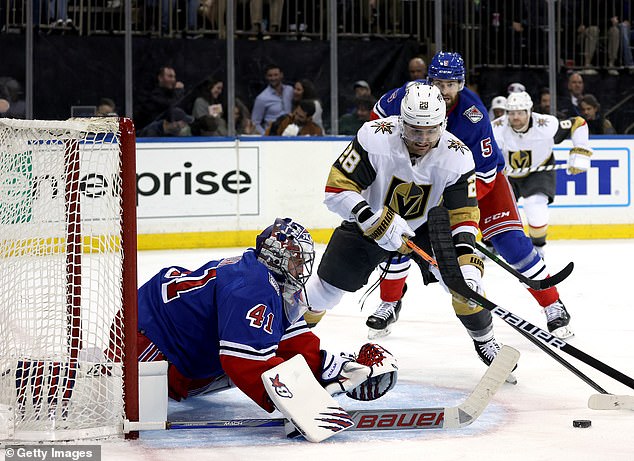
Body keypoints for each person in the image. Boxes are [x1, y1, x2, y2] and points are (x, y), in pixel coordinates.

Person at [108, 218, 397, 440]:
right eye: (297, 258)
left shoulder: (266, 279)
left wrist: (331, 367)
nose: (302, 267)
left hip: (166, 339)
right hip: (144, 342)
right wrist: (300, 403)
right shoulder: (252, 288)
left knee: (258, 352)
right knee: (245, 360)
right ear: (277, 255)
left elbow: (287, 336)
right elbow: (242, 362)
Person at [303, 82, 512, 373]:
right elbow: (336, 189)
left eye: (431, 130)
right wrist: (370, 217)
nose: (423, 139)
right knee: (323, 291)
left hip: (427, 226)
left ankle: (485, 340)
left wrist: (467, 267)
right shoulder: (373, 137)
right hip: (369, 220)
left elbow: (463, 215)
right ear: (401, 121)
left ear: (444, 123)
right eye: (415, 129)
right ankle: (290, 339)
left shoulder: (458, 156)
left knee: (465, 290)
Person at [368, 51, 573, 340]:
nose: (444, 90)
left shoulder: (472, 115)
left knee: (512, 243)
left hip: (482, 184)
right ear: (429, 80)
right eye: (438, 82)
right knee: (399, 237)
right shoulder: (409, 97)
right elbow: (375, 121)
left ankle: (552, 304)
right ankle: (389, 301)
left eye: (451, 84)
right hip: (426, 184)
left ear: (461, 84)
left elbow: (485, 174)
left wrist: (456, 211)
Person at [492, 90, 592, 262]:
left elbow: (578, 123)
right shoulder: (496, 128)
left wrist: (580, 152)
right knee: (497, 211)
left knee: (535, 205)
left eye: (520, 113)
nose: (516, 117)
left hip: (539, 170)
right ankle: (490, 244)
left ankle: (538, 247)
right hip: (506, 174)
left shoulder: (546, 125)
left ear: (529, 111)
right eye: (512, 113)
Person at [135, 66, 186, 131]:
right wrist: (178, 91)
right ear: (160, 78)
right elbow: (172, 106)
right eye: (170, 76)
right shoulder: (154, 95)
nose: (173, 80)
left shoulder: (171, 94)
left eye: (174, 77)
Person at [251, 63, 294, 135]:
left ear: (281, 75)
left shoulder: (290, 90)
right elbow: (255, 122)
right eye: (270, 76)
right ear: (266, 77)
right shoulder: (262, 98)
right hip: (273, 136)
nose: (273, 78)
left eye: (276, 75)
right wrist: (266, 135)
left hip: (291, 135)